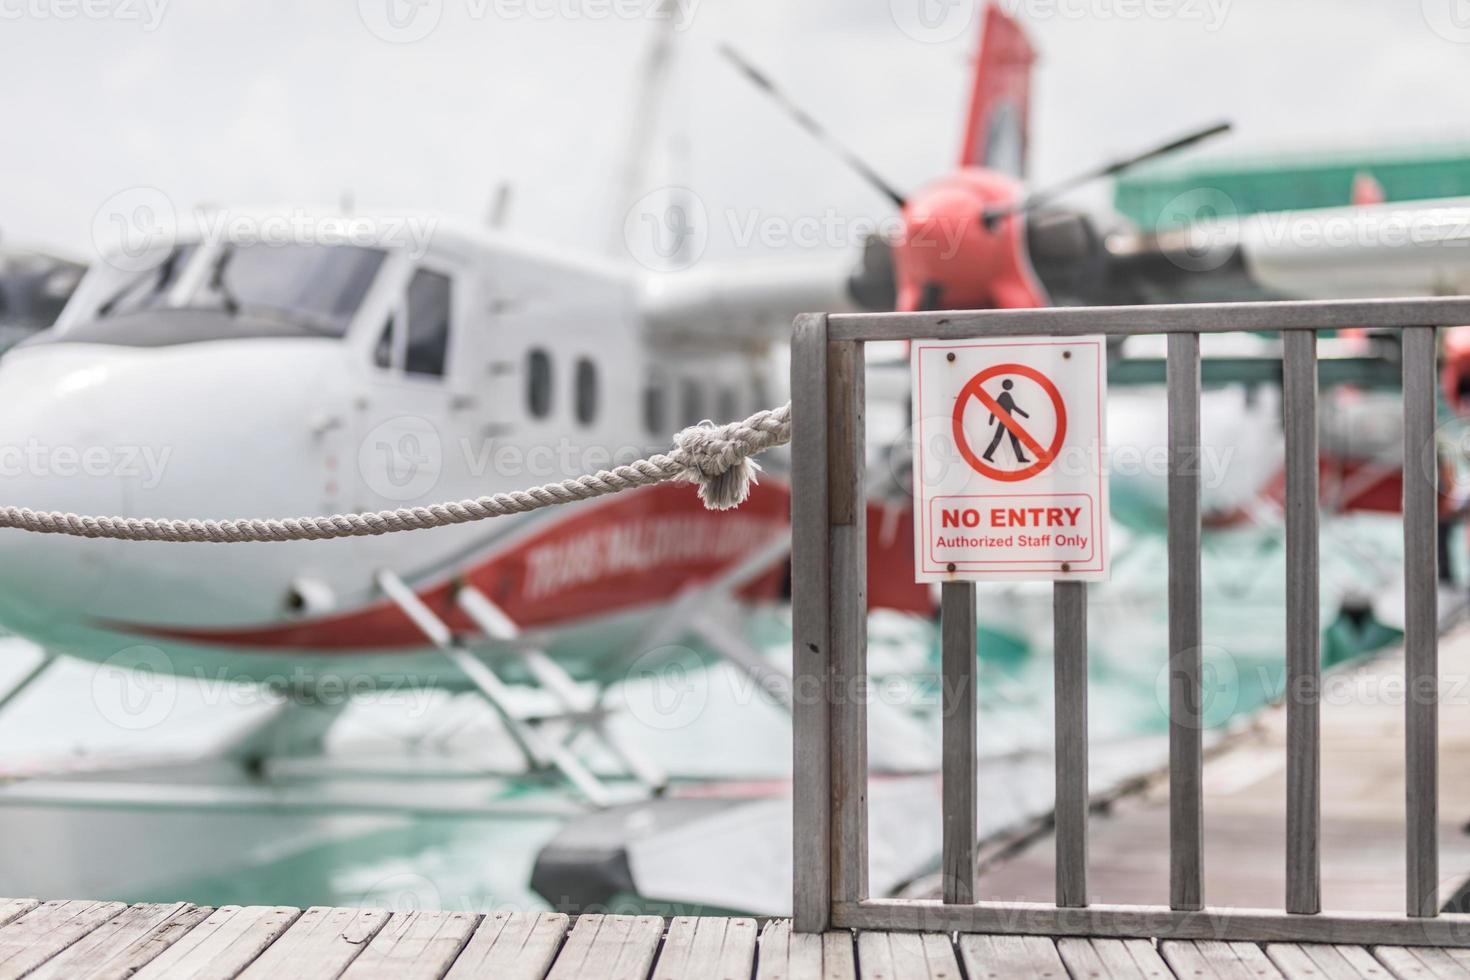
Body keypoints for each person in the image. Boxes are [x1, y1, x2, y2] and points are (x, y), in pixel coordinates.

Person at [982, 379, 1031, 464]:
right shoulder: (1004, 395)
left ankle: (1020, 458)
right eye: (1009, 384)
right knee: (999, 438)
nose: (1010, 386)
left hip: (1007, 420)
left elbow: (1013, 407)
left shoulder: (1006, 395)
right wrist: (991, 420)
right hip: (1005, 420)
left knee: (1011, 439)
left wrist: (1025, 415)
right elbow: (996, 407)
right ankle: (987, 455)